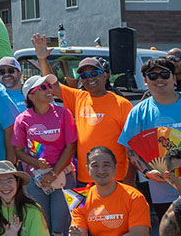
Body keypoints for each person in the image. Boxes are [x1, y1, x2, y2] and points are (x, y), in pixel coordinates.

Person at [119, 57, 181, 218]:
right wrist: (147, 172)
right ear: (145, 81)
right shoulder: (138, 112)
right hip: (162, 188)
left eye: (165, 74)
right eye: (153, 76)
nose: (159, 79)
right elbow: (130, 148)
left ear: (174, 78)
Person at [11, 73, 79, 236]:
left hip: (62, 177)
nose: (50, 89)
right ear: (31, 94)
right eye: (44, 87)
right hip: (35, 180)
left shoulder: (63, 113)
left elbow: (70, 147)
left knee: (60, 227)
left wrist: (53, 172)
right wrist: (33, 163)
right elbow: (19, 151)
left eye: (50, 85)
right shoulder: (23, 119)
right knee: (43, 228)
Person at [32, 36, 133, 187]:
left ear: (104, 75)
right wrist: (42, 59)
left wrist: (129, 179)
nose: (89, 79)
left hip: (115, 177)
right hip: (86, 177)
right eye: (84, 76)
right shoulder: (78, 97)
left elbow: (131, 145)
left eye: (94, 73)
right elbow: (51, 84)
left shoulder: (122, 104)